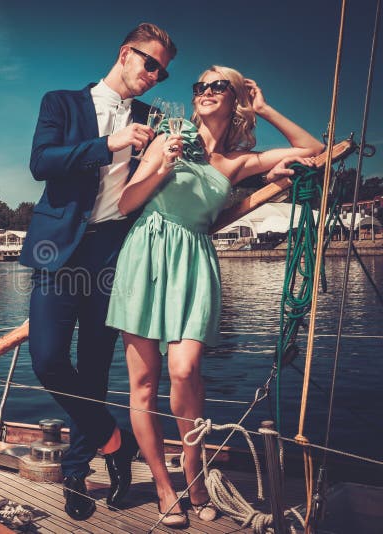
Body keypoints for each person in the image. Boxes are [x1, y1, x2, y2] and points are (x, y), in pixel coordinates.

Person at [105, 65, 323, 528]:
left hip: (194, 262)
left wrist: (263, 108)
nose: (205, 91)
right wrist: (162, 166)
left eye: (217, 85)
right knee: (143, 384)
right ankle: (166, 488)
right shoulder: (170, 135)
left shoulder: (240, 161)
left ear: (237, 98)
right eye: (199, 86)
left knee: (185, 372)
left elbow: (315, 150)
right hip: (145, 254)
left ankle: (196, 476)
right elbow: (125, 203)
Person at [19, 23, 177, 520]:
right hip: (56, 251)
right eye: (149, 63)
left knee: (92, 371)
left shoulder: (156, 119)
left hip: (114, 253)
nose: (155, 75)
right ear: (125, 54)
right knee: (46, 359)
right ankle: (116, 440)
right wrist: (111, 142)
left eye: (163, 71)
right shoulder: (61, 103)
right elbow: (41, 163)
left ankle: (75, 471)